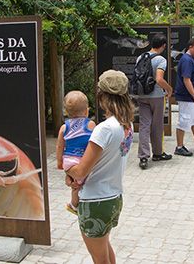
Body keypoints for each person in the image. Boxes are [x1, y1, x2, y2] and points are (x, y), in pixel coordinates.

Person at [66, 70, 134, 264]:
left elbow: (80, 171)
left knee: (99, 259)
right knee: (105, 249)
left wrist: (65, 166)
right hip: (113, 199)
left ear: (102, 96)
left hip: (95, 201)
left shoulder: (104, 129)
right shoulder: (126, 124)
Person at [135, 33, 173, 170]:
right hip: (156, 95)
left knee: (144, 125)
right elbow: (159, 79)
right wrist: (169, 89)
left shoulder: (141, 57)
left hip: (142, 95)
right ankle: (157, 153)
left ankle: (143, 156)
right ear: (163, 45)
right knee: (157, 125)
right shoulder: (161, 60)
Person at [56, 91, 96, 215]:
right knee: (80, 183)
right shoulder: (91, 124)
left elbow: (59, 146)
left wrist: (59, 162)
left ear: (67, 112)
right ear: (87, 111)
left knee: (75, 184)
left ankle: (74, 203)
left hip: (69, 161)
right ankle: (75, 204)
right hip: (83, 160)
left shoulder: (64, 127)